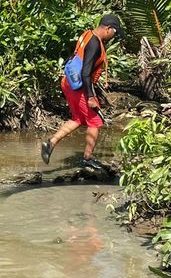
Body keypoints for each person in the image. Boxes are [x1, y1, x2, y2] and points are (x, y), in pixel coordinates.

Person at [41, 14, 122, 168]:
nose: (114, 36)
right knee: (95, 122)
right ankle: (87, 159)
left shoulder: (87, 34)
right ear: (107, 28)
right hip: (79, 86)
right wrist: (91, 96)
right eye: (114, 32)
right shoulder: (95, 44)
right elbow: (85, 72)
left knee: (78, 118)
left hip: (68, 82)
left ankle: (50, 143)